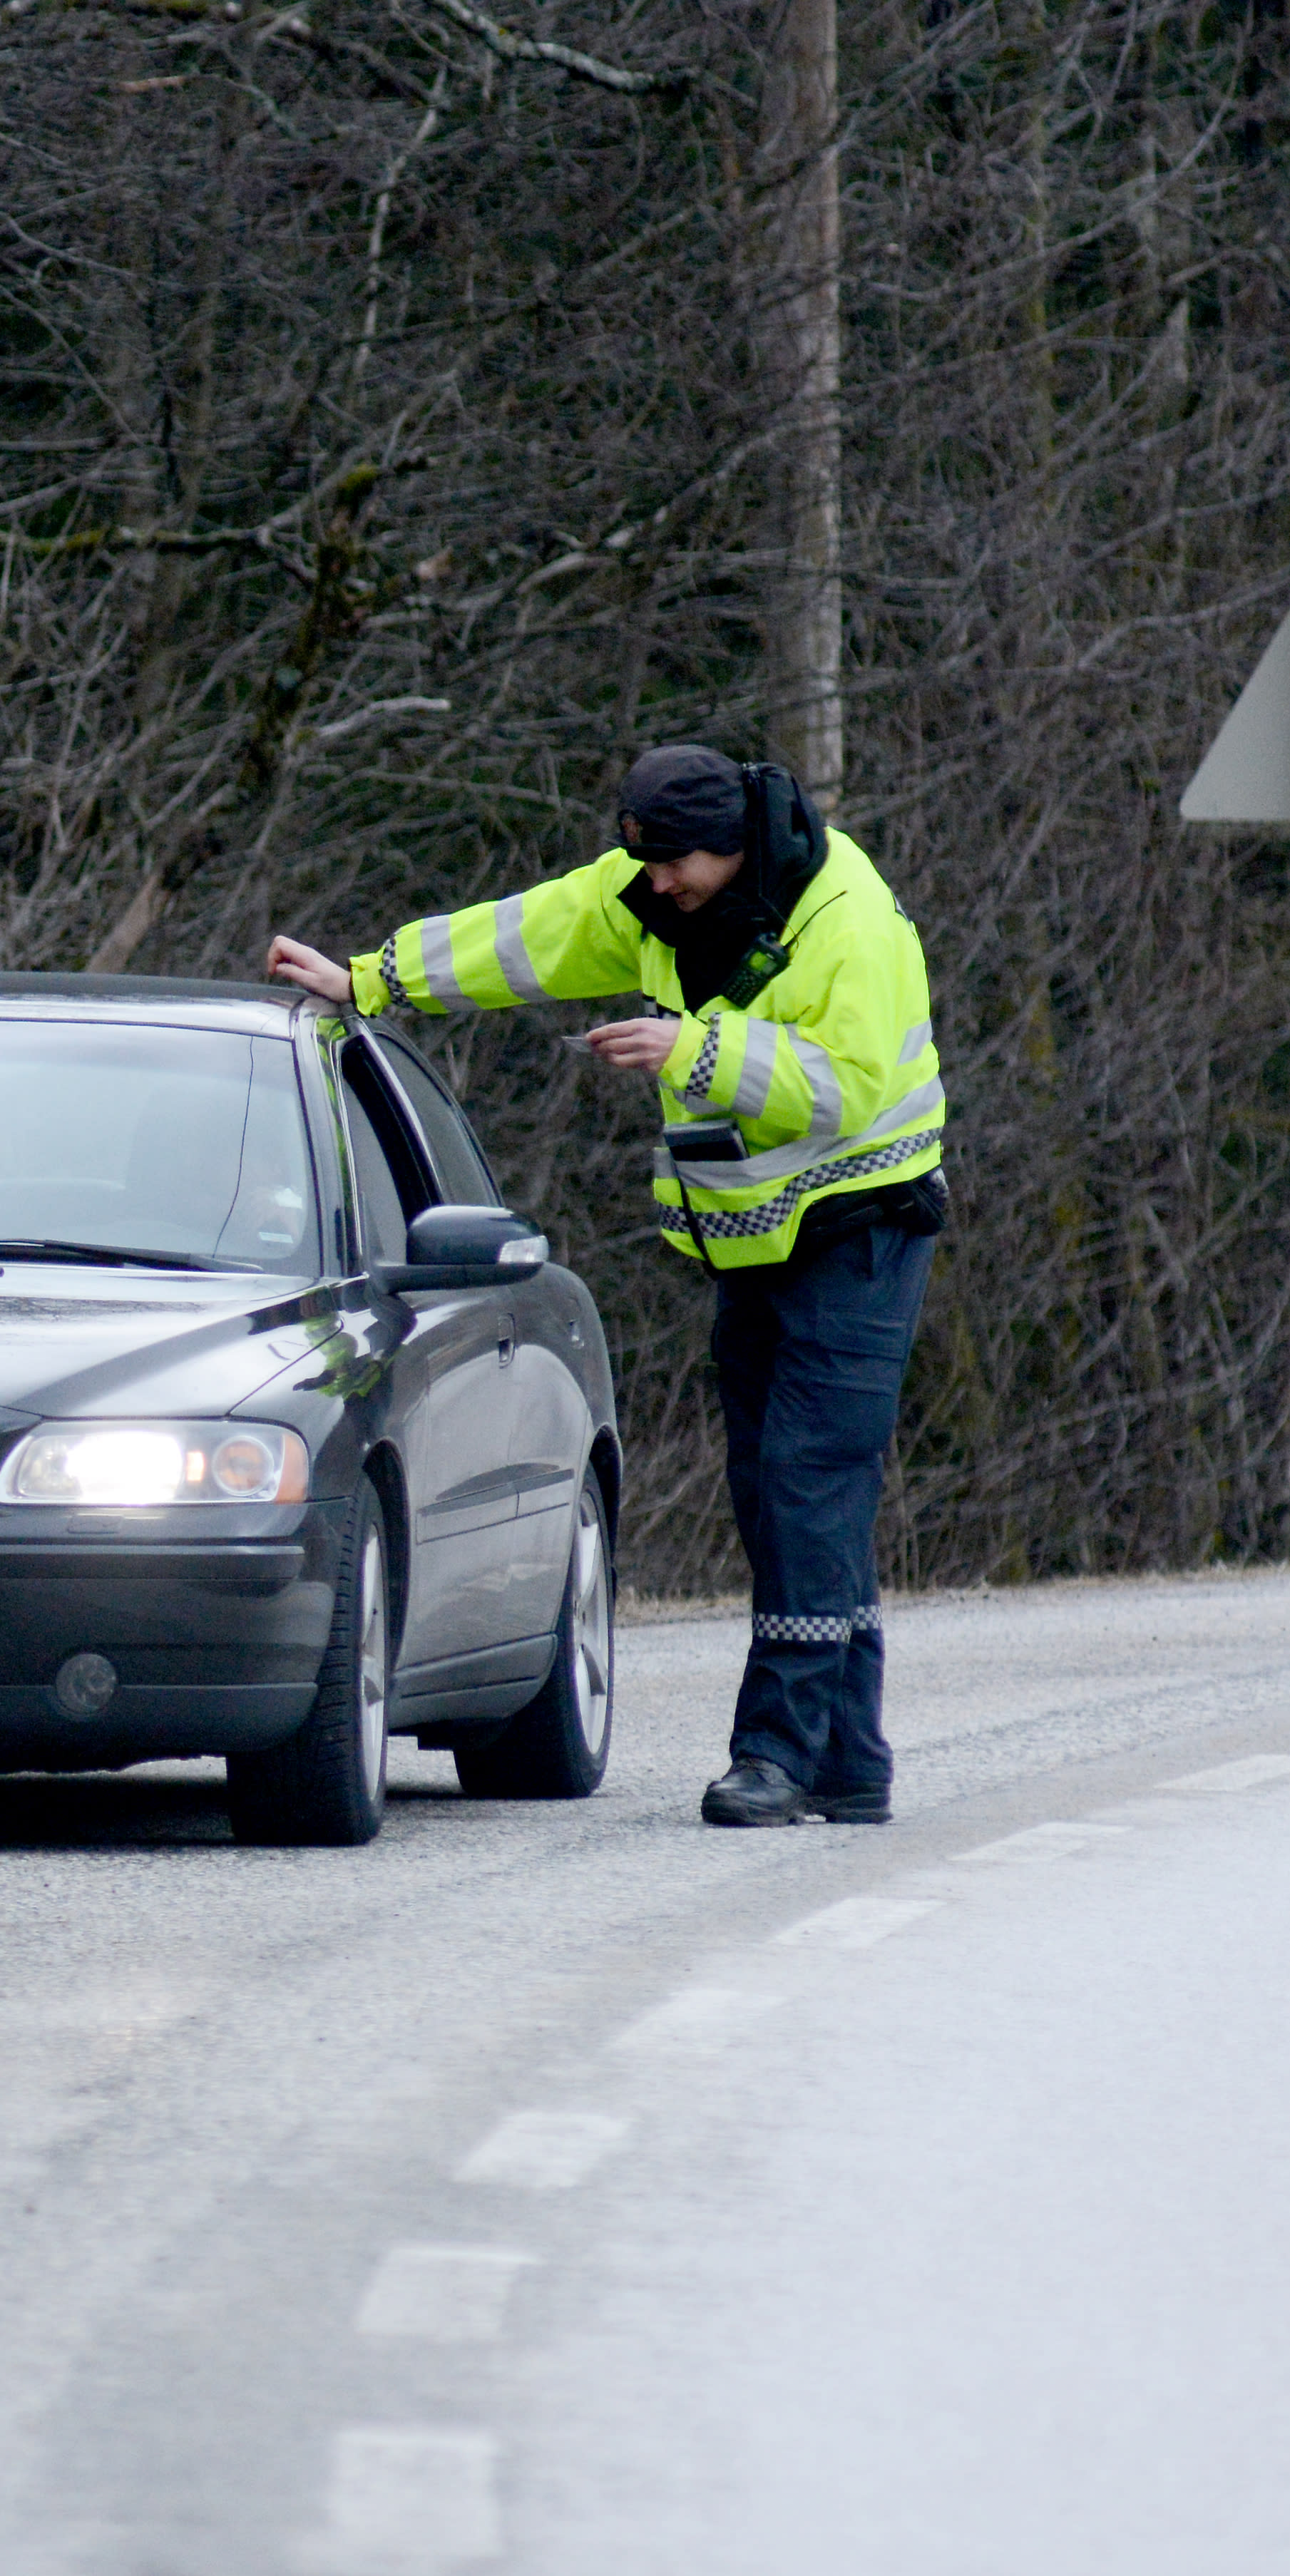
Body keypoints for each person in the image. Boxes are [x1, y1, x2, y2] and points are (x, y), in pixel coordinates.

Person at [263, 743, 947, 1827]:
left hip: (862, 1227)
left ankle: (775, 1752)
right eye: (645, 866)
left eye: (676, 868)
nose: (656, 887)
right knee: (780, 1494)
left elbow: (849, 1089)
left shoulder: (846, 920)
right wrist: (371, 980)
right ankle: (849, 1759)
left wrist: (691, 1048)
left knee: (807, 1483)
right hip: (757, 1243)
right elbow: (526, 935)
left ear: (734, 847)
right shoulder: (649, 891)